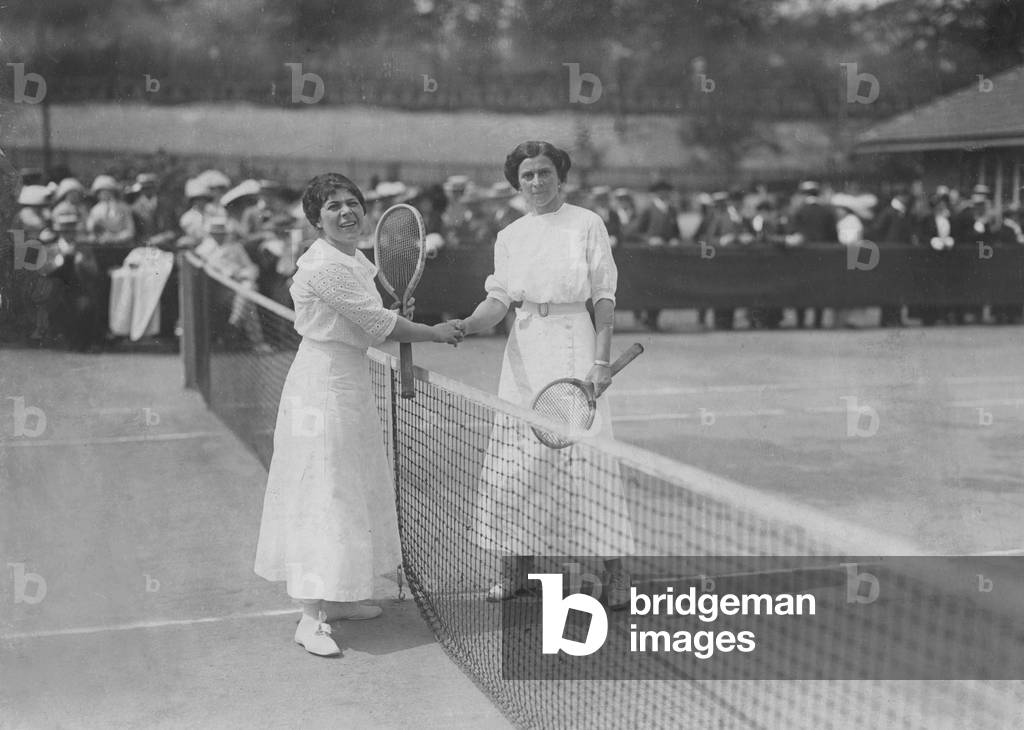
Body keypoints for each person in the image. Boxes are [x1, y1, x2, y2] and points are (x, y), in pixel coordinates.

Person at [254, 173, 463, 658]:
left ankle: (339, 598)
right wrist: (436, 331)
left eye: (352, 204)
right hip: (321, 388)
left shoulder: (353, 260)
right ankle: (310, 617)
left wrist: (398, 317)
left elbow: (370, 319)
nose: (347, 212)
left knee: (349, 486)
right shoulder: (323, 267)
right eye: (333, 207)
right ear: (315, 219)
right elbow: (378, 324)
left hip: (348, 383)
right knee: (322, 490)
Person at [450, 141, 634, 609]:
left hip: (577, 342)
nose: (536, 182)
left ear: (561, 177)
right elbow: (498, 302)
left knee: (589, 460)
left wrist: (600, 360)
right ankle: (514, 571)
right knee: (517, 460)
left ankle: (614, 577)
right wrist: (467, 325)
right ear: (516, 182)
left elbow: (605, 297)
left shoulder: (587, 224)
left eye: (544, 173)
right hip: (524, 351)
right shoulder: (510, 235)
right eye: (527, 175)